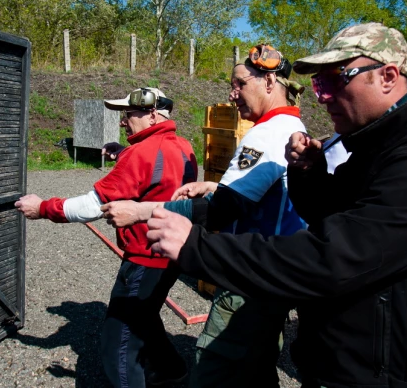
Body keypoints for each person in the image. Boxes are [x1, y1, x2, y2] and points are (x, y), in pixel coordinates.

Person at [143, 22, 407, 386]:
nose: (322, 96)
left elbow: (331, 258)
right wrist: (310, 174)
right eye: (319, 84)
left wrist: (195, 245)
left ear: (388, 77)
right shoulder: (378, 148)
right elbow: (336, 220)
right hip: (347, 365)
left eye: (334, 80)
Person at [102, 45, 309, 387]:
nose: (232, 93)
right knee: (256, 366)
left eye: (240, 83)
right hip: (274, 269)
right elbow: (264, 194)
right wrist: (214, 186)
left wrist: (142, 210)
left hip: (249, 274)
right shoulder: (289, 125)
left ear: (270, 81)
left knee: (216, 367)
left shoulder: (265, 133)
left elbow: (223, 211)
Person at [15, 87, 198, 387]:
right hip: (172, 254)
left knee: (119, 347)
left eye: (129, 115)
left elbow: (92, 206)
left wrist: (43, 207)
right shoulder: (183, 146)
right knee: (147, 316)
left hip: (144, 260)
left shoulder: (141, 153)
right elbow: (160, 173)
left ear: (152, 114)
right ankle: (172, 370)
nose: (124, 122)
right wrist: (124, 153)